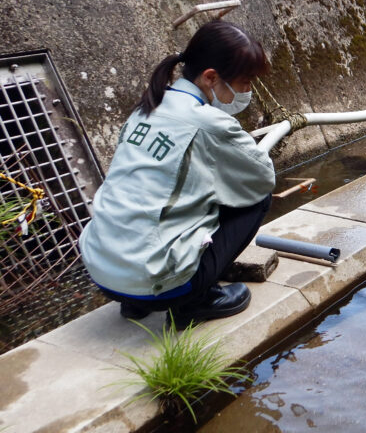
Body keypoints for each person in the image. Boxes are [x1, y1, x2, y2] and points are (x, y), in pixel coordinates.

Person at [79, 20, 276, 328]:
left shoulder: (148, 105)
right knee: (257, 198)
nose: (248, 90)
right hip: (158, 284)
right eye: (246, 81)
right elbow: (261, 178)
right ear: (211, 77)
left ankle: (133, 303)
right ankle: (196, 302)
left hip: (100, 270)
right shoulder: (208, 122)